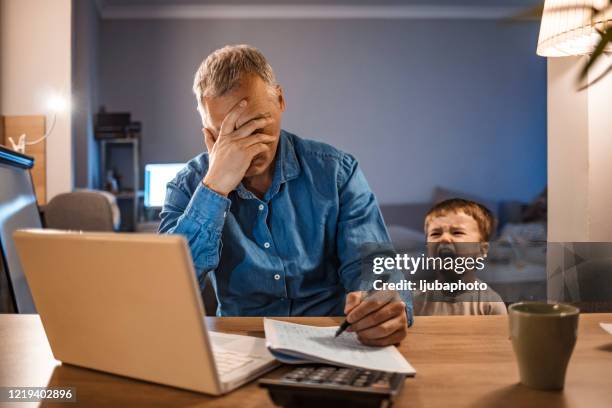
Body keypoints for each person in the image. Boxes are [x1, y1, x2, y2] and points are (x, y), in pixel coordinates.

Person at [159, 44, 411, 346]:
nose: (249, 145)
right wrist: (214, 187)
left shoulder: (337, 172)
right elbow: (165, 291)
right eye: (230, 134)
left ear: (280, 100)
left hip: (333, 338)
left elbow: (373, 265)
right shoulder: (187, 186)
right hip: (239, 342)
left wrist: (381, 305)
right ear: (208, 133)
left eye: (257, 125)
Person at [413, 198, 507, 316]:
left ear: (482, 250)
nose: (444, 238)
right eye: (435, 234)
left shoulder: (490, 304)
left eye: (457, 232)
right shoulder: (417, 302)